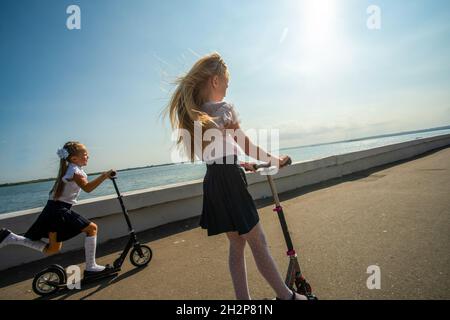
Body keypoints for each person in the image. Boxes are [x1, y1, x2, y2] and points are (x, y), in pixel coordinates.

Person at [163, 52, 306, 300]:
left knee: (237, 245)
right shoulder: (224, 109)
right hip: (230, 179)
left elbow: (218, 155)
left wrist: (242, 163)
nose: (229, 86)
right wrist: (276, 159)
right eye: (227, 81)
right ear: (215, 81)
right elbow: (247, 144)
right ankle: (288, 297)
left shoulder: (196, 115)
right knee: (258, 241)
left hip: (215, 181)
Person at [0, 141, 115, 276]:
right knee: (92, 228)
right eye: (85, 154)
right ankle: (91, 267)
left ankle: (11, 238)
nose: (88, 157)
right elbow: (88, 188)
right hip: (59, 211)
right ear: (74, 158)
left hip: (52, 210)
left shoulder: (70, 169)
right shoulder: (75, 171)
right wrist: (104, 176)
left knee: (52, 249)